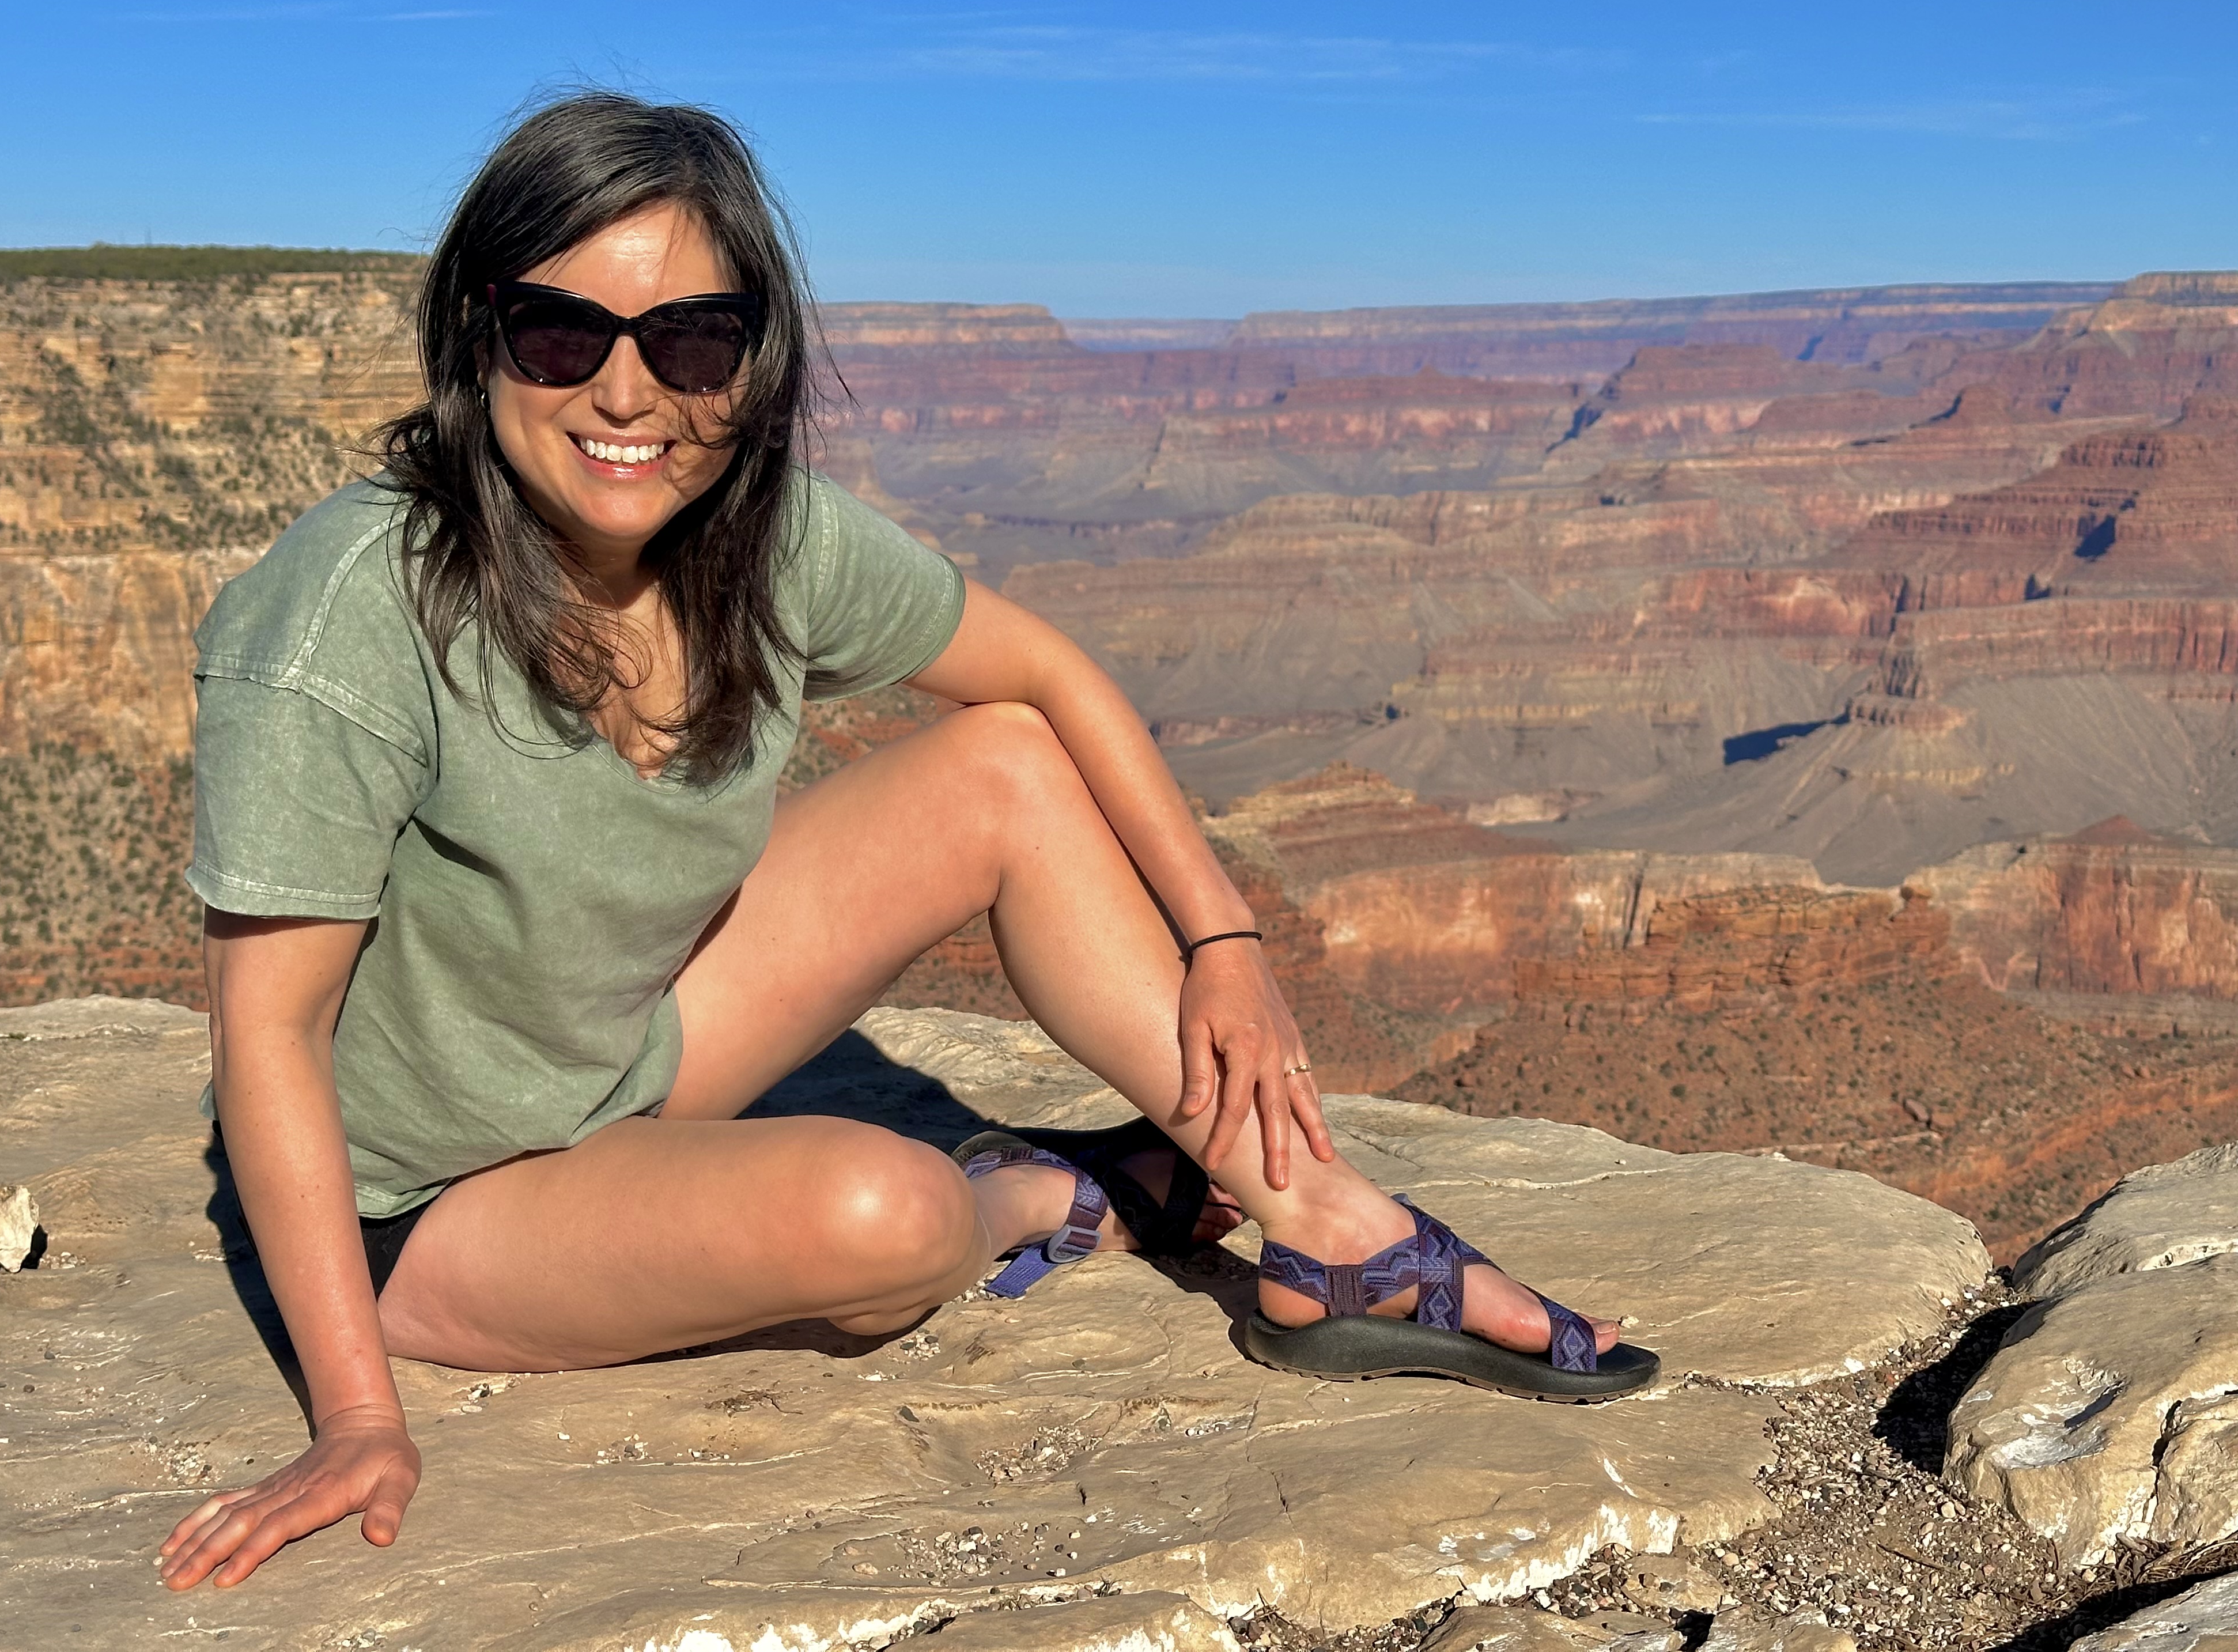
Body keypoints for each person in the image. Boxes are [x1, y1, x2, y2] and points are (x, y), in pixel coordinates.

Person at [156, 92, 1656, 1593]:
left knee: (1002, 764)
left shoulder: (756, 540)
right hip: (432, 1208)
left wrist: (1226, 939)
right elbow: (270, 1035)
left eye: (688, 339)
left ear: (751, 363)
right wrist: (355, 1412)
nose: (627, 394)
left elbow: (1049, 677)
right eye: (563, 332)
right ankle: (1060, 1193)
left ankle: (1324, 1222)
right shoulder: (351, 611)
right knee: (890, 1212)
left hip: (628, 1055)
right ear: (479, 334)